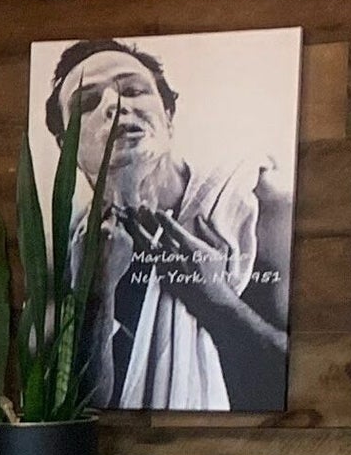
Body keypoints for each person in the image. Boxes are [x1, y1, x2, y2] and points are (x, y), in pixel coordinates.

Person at [46, 37, 290, 411]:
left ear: (168, 116)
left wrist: (214, 299)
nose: (115, 105)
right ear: (66, 148)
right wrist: (95, 290)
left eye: (133, 90)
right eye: (87, 103)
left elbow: (293, 379)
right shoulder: (69, 244)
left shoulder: (255, 210)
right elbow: (80, 407)